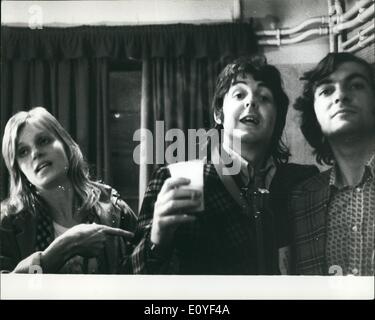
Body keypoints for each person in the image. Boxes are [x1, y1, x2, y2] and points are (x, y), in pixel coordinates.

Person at [130, 55, 318, 275]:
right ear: (219, 113)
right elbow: (131, 277)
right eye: (239, 94)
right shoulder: (174, 179)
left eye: (265, 97)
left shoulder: (303, 182)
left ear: (277, 118)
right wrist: (157, 239)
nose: (251, 102)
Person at [0, 107, 136, 274]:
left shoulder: (114, 207)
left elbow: (144, 273)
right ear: (18, 170)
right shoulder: (7, 223)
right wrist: (63, 248)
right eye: (23, 152)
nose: (35, 153)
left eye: (43, 140)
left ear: (66, 145)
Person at [291, 52, 375, 276]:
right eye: (327, 91)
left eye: (356, 85)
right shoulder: (301, 200)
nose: (341, 96)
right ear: (314, 114)